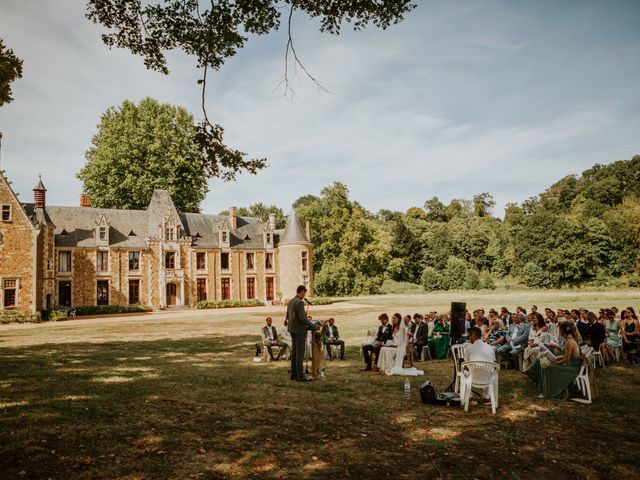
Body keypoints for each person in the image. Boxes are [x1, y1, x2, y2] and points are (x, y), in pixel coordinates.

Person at [525, 321, 582, 400]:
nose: (558, 332)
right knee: (546, 365)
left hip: (572, 367)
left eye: (559, 330)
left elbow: (566, 359)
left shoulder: (569, 342)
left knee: (549, 368)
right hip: (570, 363)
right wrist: (555, 358)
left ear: (562, 331)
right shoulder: (568, 339)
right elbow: (566, 356)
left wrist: (555, 363)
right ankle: (544, 387)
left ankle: (549, 391)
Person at [287, 285, 319, 381]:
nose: (304, 294)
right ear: (300, 292)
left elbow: (288, 316)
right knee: (300, 354)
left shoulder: (290, 301)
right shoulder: (300, 303)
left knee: (294, 352)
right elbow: (302, 318)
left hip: (292, 329)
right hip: (299, 331)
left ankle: (293, 374)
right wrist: (313, 326)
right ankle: (300, 376)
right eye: (304, 292)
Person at [464, 326, 496, 406]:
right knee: (489, 370)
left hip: (473, 378)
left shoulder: (468, 348)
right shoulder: (490, 347)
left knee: (464, 370)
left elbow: (465, 366)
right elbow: (494, 363)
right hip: (488, 379)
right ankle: (486, 397)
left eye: (469, 336)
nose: (469, 338)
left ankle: (470, 396)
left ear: (473, 335)